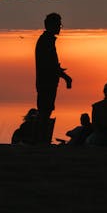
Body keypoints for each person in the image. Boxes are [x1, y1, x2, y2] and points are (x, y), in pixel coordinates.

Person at [35, 13, 72, 142]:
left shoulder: (47, 41)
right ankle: (41, 140)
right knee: (45, 112)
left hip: (47, 82)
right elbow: (50, 65)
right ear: (51, 25)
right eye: (58, 25)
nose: (60, 27)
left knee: (46, 110)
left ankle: (42, 139)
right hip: (46, 82)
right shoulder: (46, 42)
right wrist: (65, 77)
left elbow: (52, 65)